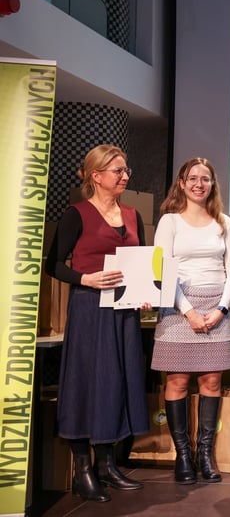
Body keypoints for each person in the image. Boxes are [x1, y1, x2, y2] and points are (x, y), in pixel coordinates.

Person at [45, 144, 149, 502]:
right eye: (118, 170)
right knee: (86, 382)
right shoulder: (77, 214)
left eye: (126, 170)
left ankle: (106, 464)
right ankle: (82, 469)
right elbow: (53, 264)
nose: (124, 176)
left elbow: (141, 262)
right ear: (96, 175)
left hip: (124, 311)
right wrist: (85, 279)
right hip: (90, 309)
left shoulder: (133, 215)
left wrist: (145, 292)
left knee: (116, 382)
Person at [151, 157, 230, 485]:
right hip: (178, 310)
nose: (199, 184)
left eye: (205, 178)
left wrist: (221, 309)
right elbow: (161, 268)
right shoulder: (169, 222)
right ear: (181, 183)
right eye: (192, 178)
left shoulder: (224, 222)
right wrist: (188, 310)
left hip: (216, 309)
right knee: (176, 382)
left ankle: (205, 454)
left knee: (211, 383)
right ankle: (183, 456)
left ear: (213, 184)